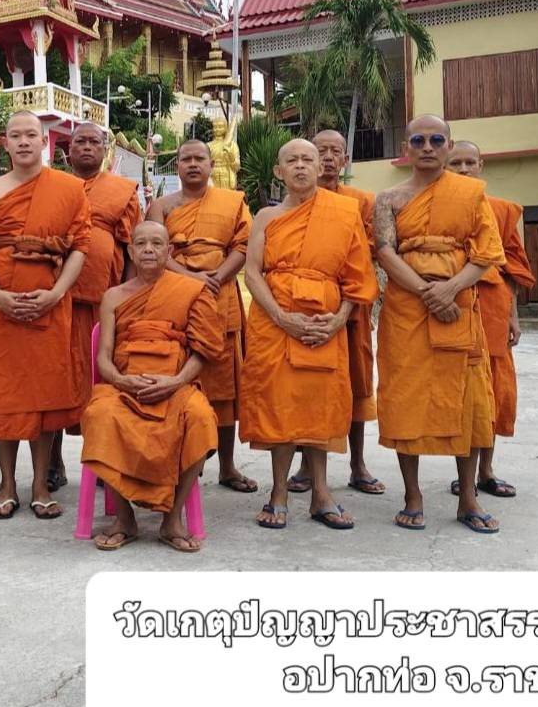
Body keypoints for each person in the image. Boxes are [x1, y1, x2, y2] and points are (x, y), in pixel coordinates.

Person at [373, 115, 505, 534]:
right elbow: (385, 252)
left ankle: (468, 497)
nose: (427, 146)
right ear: (406, 148)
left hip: (459, 303)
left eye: (435, 140)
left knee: (466, 402)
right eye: (418, 140)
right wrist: (427, 292)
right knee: (405, 398)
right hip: (406, 310)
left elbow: (487, 252)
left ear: (448, 146)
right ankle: (413, 495)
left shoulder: (469, 194)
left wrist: (450, 290)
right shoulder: (388, 198)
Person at [240, 139, 378, 531]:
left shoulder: (344, 212)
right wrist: (283, 317)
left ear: (321, 168)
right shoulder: (266, 216)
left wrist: (337, 322)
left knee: (321, 407)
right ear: (278, 172)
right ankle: (278, 492)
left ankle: (322, 494)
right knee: (280, 407)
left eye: (308, 160)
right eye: (291, 160)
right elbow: (253, 273)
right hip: (274, 320)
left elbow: (358, 277)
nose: (300, 166)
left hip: (324, 321)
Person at [0, 111, 91, 521]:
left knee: (44, 395)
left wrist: (56, 293)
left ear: (45, 142)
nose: (23, 142)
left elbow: (80, 248)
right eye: (15, 135)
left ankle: (40, 484)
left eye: (31, 135)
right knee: (2, 396)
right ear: (4, 142)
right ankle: (6, 484)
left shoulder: (69, 189)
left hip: (50, 300)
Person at [80, 221, 220, 552]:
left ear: (169, 252)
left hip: (176, 383)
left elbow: (203, 351)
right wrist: (120, 380)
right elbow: (104, 358)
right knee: (100, 414)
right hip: (123, 385)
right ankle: (124, 518)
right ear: (129, 251)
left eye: (157, 244)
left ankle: (172, 519)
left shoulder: (190, 290)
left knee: (200, 416)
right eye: (140, 243)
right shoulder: (113, 297)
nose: (148, 249)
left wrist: (176, 381)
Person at [147, 140, 256, 495]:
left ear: (211, 164)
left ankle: (227, 466)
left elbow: (243, 246)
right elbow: (154, 249)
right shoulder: (160, 207)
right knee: (177, 381)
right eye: (185, 159)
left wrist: (219, 275)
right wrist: (191, 277)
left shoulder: (232, 202)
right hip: (176, 296)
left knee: (223, 389)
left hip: (218, 296)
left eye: (199, 159)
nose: (193, 165)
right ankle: (178, 461)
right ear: (176, 166)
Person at [287, 129, 384, 497]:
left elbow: (369, 248)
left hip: (351, 307)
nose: (328, 158)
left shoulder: (361, 201)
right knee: (308, 385)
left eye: (335, 152)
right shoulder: (295, 201)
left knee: (357, 384)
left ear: (345, 161)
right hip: (307, 307)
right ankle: (307, 465)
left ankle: (358, 463)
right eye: (320, 151)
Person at [47, 121, 140, 492]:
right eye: (79, 141)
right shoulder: (52, 186)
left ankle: (103, 460)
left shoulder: (122, 191)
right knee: (55, 381)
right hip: (57, 301)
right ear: (68, 150)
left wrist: (130, 295)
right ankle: (53, 461)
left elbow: (132, 246)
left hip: (105, 302)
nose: (87, 147)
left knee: (103, 385)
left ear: (105, 150)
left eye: (95, 142)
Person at [447, 139, 536, 498]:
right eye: (456, 164)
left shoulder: (500, 210)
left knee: (495, 391)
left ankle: (486, 470)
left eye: (470, 162)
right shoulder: (439, 207)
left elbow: (513, 267)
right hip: (452, 304)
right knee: (461, 390)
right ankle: (462, 473)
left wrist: (513, 316)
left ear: (481, 165)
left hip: (494, 306)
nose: (464, 169)